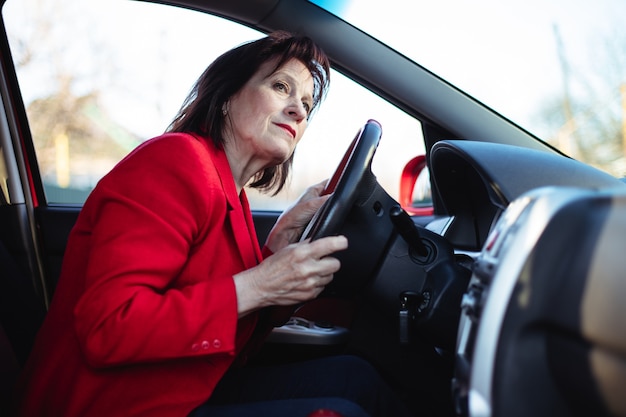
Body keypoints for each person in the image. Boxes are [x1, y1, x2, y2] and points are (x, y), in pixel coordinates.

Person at [12, 31, 413, 417]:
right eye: (281, 87)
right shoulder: (175, 162)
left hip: (182, 391)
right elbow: (109, 328)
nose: (298, 109)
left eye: (307, 104)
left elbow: (233, 342)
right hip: (112, 405)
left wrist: (277, 250)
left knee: (353, 377)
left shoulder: (232, 196)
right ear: (226, 97)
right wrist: (260, 282)